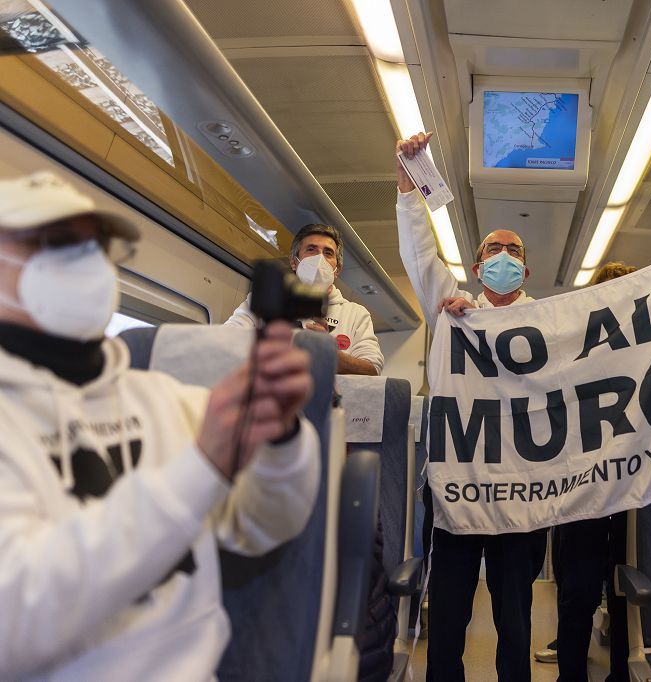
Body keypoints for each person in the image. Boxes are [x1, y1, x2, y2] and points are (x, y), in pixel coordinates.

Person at [0, 171, 320, 679]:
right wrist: (199, 468)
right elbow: (13, 622)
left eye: (96, 245)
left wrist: (280, 440)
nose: (85, 262)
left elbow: (262, 526)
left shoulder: (167, 399)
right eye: (55, 243)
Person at [396, 131, 547, 682]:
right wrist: (408, 181)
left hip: (521, 491)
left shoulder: (551, 323)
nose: (501, 256)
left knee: (515, 616)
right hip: (459, 487)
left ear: (525, 272)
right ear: (476, 265)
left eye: (513, 252)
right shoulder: (450, 310)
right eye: (490, 249)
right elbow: (418, 251)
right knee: (452, 612)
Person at [540, 262, 635, 681]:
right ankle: (571, 674)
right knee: (576, 592)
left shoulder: (648, 347)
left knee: (623, 593)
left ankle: (621, 673)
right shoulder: (575, 351)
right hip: (582, 489)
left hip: (634, 487)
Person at [226, 222, 384, 375]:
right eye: (311, 250)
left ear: (337, 270)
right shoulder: (266, 299)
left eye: (328, 253)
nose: (319, 259)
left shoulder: (356, 314)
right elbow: (226, 338)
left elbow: (372, 368)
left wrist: (329, 354)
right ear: (294, 262)